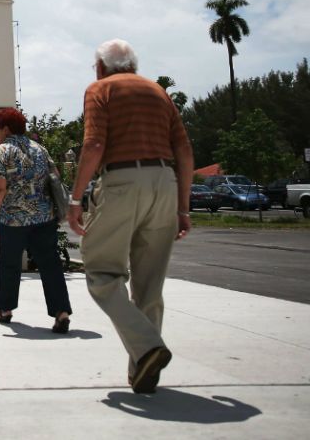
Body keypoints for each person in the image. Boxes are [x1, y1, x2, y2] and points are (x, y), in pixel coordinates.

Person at [67, 39, 193, 394]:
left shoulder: (100, 89)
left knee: (101, 272)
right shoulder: (159, 92)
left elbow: (94, 145)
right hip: (165, 182)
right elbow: (184, 150)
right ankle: (142, 369)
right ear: (133, 66)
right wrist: (183, 207)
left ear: (101, 67)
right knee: (150, 284)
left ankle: (148, 346)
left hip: (122, 180)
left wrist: (76, 199)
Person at [0, 107, 73, 333]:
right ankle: (61, 312)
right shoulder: (39, 148)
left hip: (12, 219)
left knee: (9, 264)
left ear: (5, 129)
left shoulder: (1, 151)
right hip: (43, 217)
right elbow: (55, 177)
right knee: (50, 264)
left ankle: (5, 310)